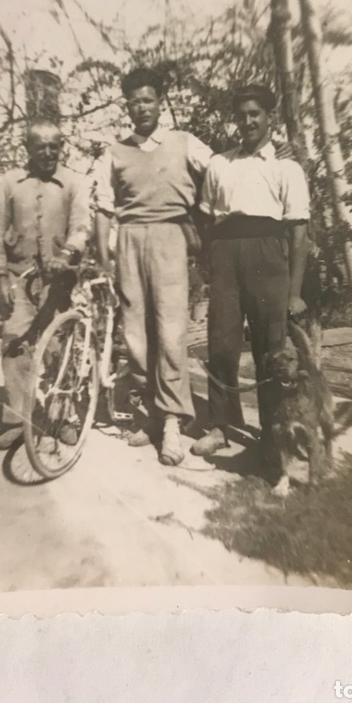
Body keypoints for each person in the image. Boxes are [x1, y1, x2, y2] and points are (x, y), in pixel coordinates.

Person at [190, 84, 310, 487]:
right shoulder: (220, 164)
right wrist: (211, 265)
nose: (247, 121)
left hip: (267, 255)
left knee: (271, 350)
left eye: (255, 113)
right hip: (226, 253)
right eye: (241, 115)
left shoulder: (287, 168)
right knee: (221, 343)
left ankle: (272, 438)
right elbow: (206, 219)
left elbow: (298, 233)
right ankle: (221, 425)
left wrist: (294, 292)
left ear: (269, 117)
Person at [94, 67, 213, 466]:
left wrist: (201, 225)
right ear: (126, 106)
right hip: (129, 240)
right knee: (135, 334)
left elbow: (220, 172)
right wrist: (105, 256)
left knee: (170, 331)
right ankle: (151, 415)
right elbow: (104, 207)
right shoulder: (114, 152)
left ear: (160, 102)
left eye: (148, 99)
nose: (141, 107)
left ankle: (173, 425)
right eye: (134, 101)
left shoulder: (184, 142)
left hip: (170, 239)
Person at [0, 120, 91, 450]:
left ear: (62, 147)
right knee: (15, 344)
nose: (48, 152)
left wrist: (68, 254)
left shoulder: (74, 182)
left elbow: (82, 227)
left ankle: (62, 418)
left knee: (61, 349)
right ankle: (19, 420)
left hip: (60, 282)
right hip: (20, 278)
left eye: (54, 146)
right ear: (27, 148)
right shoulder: (10, 183)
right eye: (40, 146)